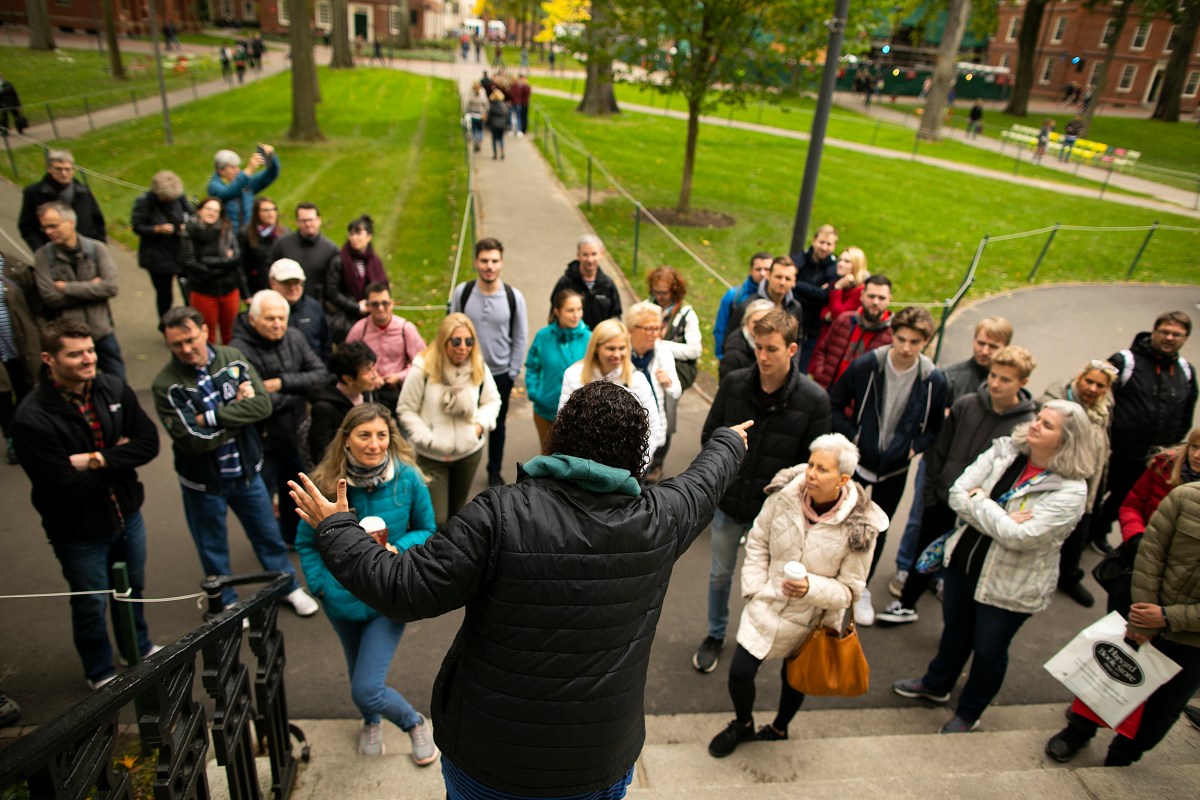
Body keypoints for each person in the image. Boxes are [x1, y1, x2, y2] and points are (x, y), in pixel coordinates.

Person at [288, 380, 751, 799]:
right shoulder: (661, 518)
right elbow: (703, 482)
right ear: (637, 455)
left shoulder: (500, 514)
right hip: (598, 758)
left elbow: (403, 587)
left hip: (490, 760)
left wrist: (336, 529)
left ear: (559, 436)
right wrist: (731, 440)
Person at [892, 401, 1094, 733]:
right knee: (955, 632)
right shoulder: (1006, 451)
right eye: (1038, 418)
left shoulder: (1070, 491)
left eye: (1047, 425)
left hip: (1009, 586)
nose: (1035, 424)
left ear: (1066, 440)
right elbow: (957, 493)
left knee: (988, 650)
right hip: (963, 563)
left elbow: (1019, 536)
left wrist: (981, 501)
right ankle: (937, 684)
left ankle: (969, 713)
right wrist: (997, 513)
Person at [707, 433, 888, 757]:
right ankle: (743, 724)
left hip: (812, 619)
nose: (811, 473)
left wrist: (809, 589)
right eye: (811, 464)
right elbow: (758, 539)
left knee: (796, 678)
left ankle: (779, 728)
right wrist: (754, 588)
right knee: (740, 673)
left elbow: (850, 591)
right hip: (768, 603)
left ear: (843, 479)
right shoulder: (784, 496)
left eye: (822, 469)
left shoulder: (861, 527)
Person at [11, 318, 161, 690]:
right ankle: (99, 672)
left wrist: (94, 459)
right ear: (49, 359)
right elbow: (61, 484)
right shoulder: (31, 417)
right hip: (78, 531)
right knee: (91, 602)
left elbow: (148, 443)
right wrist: (118, 456)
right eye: (75, 354)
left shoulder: (111, 386)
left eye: (90, 350)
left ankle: (135, 649)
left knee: (132, 587)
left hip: (127, 515)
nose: (88, 359)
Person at [152, 307, 319, 616]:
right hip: (203, 483)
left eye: (191, 339)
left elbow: (262, 406)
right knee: (212, 546)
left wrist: (211, 417)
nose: (186, 349)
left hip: (246, 473)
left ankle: (288, 586)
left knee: (268, 534)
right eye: (177, 345)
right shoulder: (167, 385)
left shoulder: (233, 359)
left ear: (205, 331)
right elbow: (191, 440)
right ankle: (225, 603)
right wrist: (237, 415)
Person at [295, 404, 438, 763]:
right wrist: (320, 585)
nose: (374, 444)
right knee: (358, 669)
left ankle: (413, 722)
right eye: (364, 435)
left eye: (381, 435)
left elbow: (428, 530)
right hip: (339, 600)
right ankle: (371, 720)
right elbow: (306, 542)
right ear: (346, 441)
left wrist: (397, 547)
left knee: (366, 686)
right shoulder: (328, 483)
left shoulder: (407, 479)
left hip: (387, 597)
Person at [692, 308, 832, 674]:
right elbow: (709, 437)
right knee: (720, 574)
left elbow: (812, 465)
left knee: (770, 583)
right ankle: (715, 634)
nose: (763, 357)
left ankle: (753, 645)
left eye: (771, 348)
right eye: (758, 348)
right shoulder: (734, 384)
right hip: (730, 502)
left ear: (792, 350)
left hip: (775, 515)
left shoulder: (814, 400)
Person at [877, 345, 1038, 625]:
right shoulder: (967, 405)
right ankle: (906, 603)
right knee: (923, 554)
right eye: (994, 376)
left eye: (1006, 379)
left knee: (962, 568)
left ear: (1022, 382)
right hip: (941, 499)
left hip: (979, 512)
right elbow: (939, 451)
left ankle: (954, 624)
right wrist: (931, 493)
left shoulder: (1025, 425)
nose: (996, 384)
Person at [1045, 479, 1200, 766]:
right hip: (1145, 618)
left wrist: (1168, 617)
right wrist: (1145, 616)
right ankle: (1076, 733)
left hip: (1192, 644)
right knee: (1107, 677)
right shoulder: (1187, 497)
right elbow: (1151, 554)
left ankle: (1122, 757)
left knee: (1161, 711)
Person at [828, 306, 948, 624]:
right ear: (892, 335)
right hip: (857, 462)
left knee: (877, 529)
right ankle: (832, 580)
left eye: (915, 342)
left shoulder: (934, 379)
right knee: (840, 519)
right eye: (901, 339)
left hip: (894, 468)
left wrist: (913, 448)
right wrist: (853, 436)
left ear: (926, 342)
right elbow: (835, 402)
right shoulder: (868, 364)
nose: (906, 348)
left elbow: (935, 426)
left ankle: (861, 588)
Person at [231, 290, 329, 546]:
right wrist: (297, 393)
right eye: (270, 318)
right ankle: (270, 550)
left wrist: (280, 382)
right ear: (253, 320)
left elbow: (319, 374)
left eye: (282, 318)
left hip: (296, 437)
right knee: (261, 501)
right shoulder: (238, 352)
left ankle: (290, 538)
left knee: (295, 496)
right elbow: (256, 405)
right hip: (262, 442)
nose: (277, 324)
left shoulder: (295, 337)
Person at [1093, 311, 1195, 553]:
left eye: (1176, 334)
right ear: (1154, 331)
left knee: (1124, 501)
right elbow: (1098, 395)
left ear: (1185, 338)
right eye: (1164, 332)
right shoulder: (1125, 361)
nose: (1169, 338)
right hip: (1112, 452)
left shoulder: (1186, 371)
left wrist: (1171, 449)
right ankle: (1079, 535)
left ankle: (1099, 530)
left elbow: (1186, 413)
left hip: (1150, 461)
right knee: (1093, 494)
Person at [397, 313, 501, 526]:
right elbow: (406, 409)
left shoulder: (477, 365)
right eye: (456, 341)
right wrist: (427, 437)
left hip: (468, 453)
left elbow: (492, 401)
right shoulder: (423, 368)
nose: (463, 347)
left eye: (468, 341)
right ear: (444, 341)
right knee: (437, 519)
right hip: (432, 457)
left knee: (458, 515)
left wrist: (479, 426)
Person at [450, 238, 527, 487]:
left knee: (497, 424)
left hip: (501, 373)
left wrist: (513, 371)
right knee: (462, 418)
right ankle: (458, 465)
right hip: (467, 372)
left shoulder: (513, 297)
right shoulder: (463, 292)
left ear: (501, 263)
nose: (489, 266)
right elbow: (452, 329)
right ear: (476, 262)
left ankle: (494, 469)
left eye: (494, 261)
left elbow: (520, 337)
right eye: (484, 261)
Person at [1041, 359, 1116, 608]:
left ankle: (1068, 577)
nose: (1093, 389)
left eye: (1100, 385)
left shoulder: (1104, 409)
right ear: (1079, 378)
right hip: (1055, 481)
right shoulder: (1056, 401)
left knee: (1077, 536)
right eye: (1089, 381)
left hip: (1088, 486)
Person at [24, 202, 125, 382]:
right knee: (77, 385)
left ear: (70, 222)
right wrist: (92, 287)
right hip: (68, 340)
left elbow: (110, 287)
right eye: (45, 227)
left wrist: (67, 288)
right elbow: (50, 298)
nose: (48, 232)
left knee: (118, 384)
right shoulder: (43, 257)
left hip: (101, 333)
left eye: (53, 226)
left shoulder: (97, 249)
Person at [558, 318, 664, 469]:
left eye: (622, 348)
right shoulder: (573, 375)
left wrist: (638, 465)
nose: (617, 354)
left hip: (625, 468)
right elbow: (564, 423)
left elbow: (653, 427)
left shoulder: (636, 380)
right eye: (611, 348)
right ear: (596, 347)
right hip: (583, 466)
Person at [648, 266, 700, 475]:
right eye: (656, 292)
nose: (659, 297)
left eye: (664, 293)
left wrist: (661, 344)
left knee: (666, 417)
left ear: (675, 291)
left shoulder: (686, 314)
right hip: (648, 369)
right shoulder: (647, 306)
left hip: (672, 374)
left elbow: (694, 350)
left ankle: (657, 463)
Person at [524, 288, 589, 453]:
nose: (576, 315)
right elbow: (532, 366)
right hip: (545, 410)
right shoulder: (543, 336)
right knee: (548, 456)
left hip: (579, 416)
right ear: (557, 311)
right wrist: (535, 393)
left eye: (579, 309)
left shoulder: (590, 338)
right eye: (570, 310)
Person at [307, 341, 387, 468]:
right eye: (367, 371)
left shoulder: (368, 393)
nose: (375, 375)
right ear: (348, 379)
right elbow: (321, 453)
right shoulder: (324, 408)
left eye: (373, 367)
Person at [345, 282, 426, 405]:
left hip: (399, 392)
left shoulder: (406, 329)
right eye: (375, 304)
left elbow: (423, 363)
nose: (381, 308)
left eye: (385, 303)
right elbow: (346, 360)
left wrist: (399, 376)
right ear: (367, 306)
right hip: (366, 393)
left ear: (392, 303)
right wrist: (368, 376)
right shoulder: (359, 329)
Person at [625, 302, 680, 483]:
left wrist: (668, 382)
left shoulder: (662, 351)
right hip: (624, 425)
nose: (655, 334)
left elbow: (676, 390)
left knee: (641, 475)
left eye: (658, 328)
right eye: (649, 329)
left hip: (653, 424)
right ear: (632, 329)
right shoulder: (621, 351)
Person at [809, 274, 893, 391]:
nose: (875, 302)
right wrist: (820, 373)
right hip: (825, 392)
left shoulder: (893, 336)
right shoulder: (844, 320)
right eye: (871, 296)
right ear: (862, 296)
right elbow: (822, 350)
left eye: (881, 298)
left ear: (890, 299)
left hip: (857, 403)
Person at [131, 171, 193, 321]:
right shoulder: (145, 202)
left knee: (188, 290)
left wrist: (187, 224)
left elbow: (191, 213)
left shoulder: (179, 197)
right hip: (157, 255)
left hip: (179, 251)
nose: (171, 200)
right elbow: (137, 226)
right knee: (165, 295)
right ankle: (166, 325)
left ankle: (190, 321)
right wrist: (157, 229)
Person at [19, 150, 106, 252]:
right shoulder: (34, 193)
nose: (64, 173)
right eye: (58, 169)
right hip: (51, 254)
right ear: (49, 169)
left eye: (68, 169)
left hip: (85, 252)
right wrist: (40, 250)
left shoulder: (83, 192)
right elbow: (27, 226)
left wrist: (99, 246)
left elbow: (98, 221)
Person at [182, 196, 242, 345]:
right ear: (199, 211)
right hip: (203, 292)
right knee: (207, 335)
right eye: (209, 209)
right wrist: (223, 264)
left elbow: (236, 259)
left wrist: (208, 261)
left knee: (231, 334)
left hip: (229, 290)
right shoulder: (189, 233)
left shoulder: (227, 231)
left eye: (216, 210)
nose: (212, 213)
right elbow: (189, 263)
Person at [0, 250, 40, 464]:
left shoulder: (16, 268)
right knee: (2, 395)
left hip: (20, 343)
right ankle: (12, 438)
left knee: (26, 387)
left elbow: (37, 306)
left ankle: (30, 433)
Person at [326, 215, 388, 343]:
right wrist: (356, 307)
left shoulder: (375, 262)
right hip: (346, 317)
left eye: (359, 233)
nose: (354, 238)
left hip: (371, 314)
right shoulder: (340, 260)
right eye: (352, 234)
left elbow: (383, 287)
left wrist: (373, 304)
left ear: (369, 236)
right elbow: (332, 291)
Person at [266, 203, 340, 306]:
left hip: (317, 305)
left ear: (319, 220)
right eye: (304, 220)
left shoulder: (330, 249)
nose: (308, 224)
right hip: (283, 303)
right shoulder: (282, 244)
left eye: (311, 220)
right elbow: (269, 271)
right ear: (297, 222)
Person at [790, 225, 839, 372]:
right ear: (814, 241)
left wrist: (798, 285)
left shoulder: (834, 268)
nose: (824, 248)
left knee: (802, 370)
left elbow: (826, 296)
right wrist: (817, 292)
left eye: (829, 244)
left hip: (814, 328)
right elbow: (790, 288)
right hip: (793, 319)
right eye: (821, 242)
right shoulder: (799, 260)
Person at [725, 256, 804, 345]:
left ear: (794, 281)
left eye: (787, 279)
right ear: (768, 276)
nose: (782, 282)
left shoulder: (795, 307)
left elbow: (797, 339)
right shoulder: (748, 307)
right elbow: (730, 339)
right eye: (778, 277)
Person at [551, 234, 623, 331]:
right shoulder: (565, 283)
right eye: (585, 254)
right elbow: (553, 316)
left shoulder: (608, 285)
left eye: (594, 254)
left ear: (602, 254)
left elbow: (616, 317)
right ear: (578, 255)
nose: (590, 259)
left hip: (600, 343)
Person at [206, 146, 280, 238]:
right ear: (221, 170)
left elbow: (270, 175)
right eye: (233, 167)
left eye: (237, 167)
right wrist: (249, 169)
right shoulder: (214, 186)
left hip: (249, 236)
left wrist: (271, 157)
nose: (237, 171)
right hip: (227, 237)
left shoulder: (245, 183)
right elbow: (229, 192)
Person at [268, 258, 330, 363]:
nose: (293, 288)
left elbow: (326, 345)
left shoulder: (314, 307)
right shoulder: (262, 310)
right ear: (272, 283)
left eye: (297, 282)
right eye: (286, 282)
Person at [713, 252, 771, 361]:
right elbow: (721, 327)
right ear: (751, 270)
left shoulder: (777, 298)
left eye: (767, 269)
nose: (763, 273)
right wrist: (722, 356)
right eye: (758, 269)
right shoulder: (734, 296)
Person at [941, 317, 1013, 404]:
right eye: (981, 343)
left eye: (993, 346)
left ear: (1006, 347)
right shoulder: (948, 376)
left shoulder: (1011, 385)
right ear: (974, 340)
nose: (984, 352)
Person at [239, 197, 287, 297]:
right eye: (266, 210)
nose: (271, 213)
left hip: (282, 287)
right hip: (257, 289)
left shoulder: (285, 233)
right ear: (257, 213)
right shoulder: (246, 234)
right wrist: (246, 295)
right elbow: (241, 266)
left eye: (274, 209)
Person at [719, 299, 774, 381]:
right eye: (755, 322)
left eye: (765, 322)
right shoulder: (734, 354)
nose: (760, 327)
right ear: (747, 321)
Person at [818, 247, 869, 335]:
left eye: (847, 261)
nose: (840, 264)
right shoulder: (839, 281)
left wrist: (837, 288)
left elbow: (839, 316)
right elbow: (824, 309)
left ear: (857, 265)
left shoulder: (859, 291)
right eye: (840, 260)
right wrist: (825, 315)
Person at [465, 82, 489, 153]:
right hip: (480, 115)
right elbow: (486, 104)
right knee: (480, 129)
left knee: (474, 129)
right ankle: (479, 141)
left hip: (472, 115)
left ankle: (475, 141)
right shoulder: (482, 94)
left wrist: (468, 111)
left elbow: (467, 104)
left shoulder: (471, 94)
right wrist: (485, 112)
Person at [486, 89, 509, 159]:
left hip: (494, 125)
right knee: (501, 138)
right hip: (502, 125)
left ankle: (495, 153)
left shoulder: (492, 106)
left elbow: (489, 117)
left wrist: (487, 125)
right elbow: (507, 116)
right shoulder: (504, 106)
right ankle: (502, 152)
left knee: (494, 139)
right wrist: (507, 125)